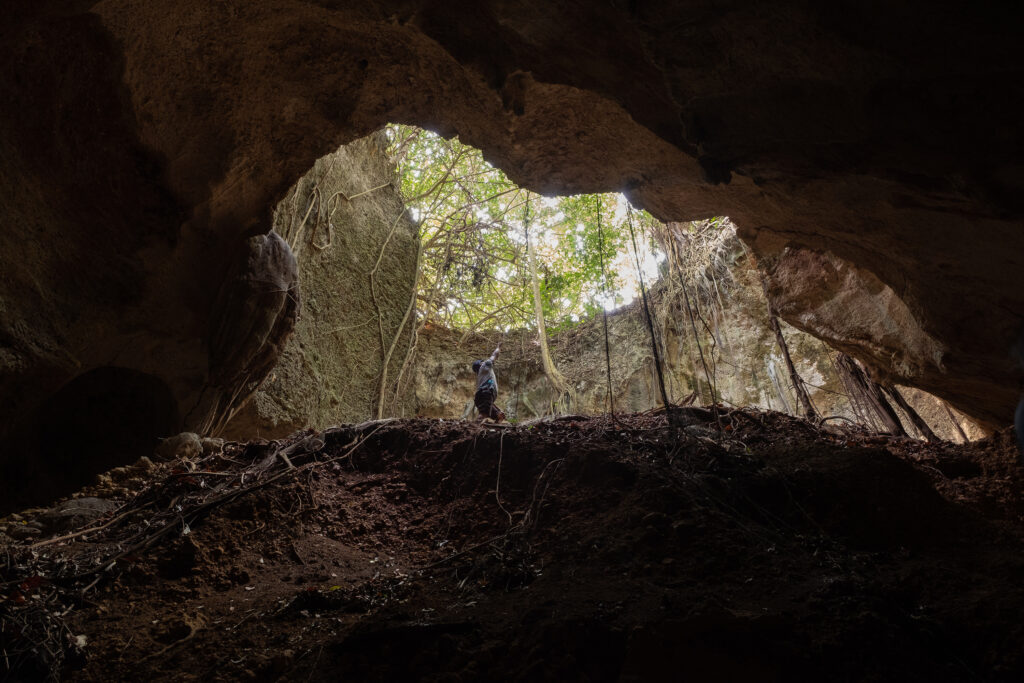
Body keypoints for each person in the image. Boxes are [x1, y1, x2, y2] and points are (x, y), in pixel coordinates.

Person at [472, 344, 506, 422]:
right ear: (480, 364)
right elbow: (494, 355)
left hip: (484, 395)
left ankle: (497, 416)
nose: (483, 361)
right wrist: (498, 348)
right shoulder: (484, 366)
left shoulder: (481, 376)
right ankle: (475, 429)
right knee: (483, 415)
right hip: (486, 393)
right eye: (482, 362)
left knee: (499, 415)